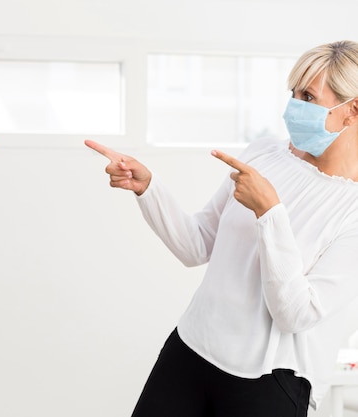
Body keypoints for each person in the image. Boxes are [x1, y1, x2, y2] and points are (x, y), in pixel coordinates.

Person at [86, 39, 358, 417]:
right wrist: (148, 187)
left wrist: (270, 212)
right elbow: (195, 245)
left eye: (309, 97)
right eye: (293, 93)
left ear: (352, 111)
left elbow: (295, 315)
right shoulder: (266, 154)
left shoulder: (352, 210)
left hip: (268, 383)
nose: (294, 107)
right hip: (190, 351)